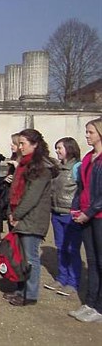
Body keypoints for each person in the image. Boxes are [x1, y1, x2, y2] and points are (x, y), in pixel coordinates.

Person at [5, 129, 58, 307]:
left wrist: (17, 214)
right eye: (19, 144)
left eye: (23, 144)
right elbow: (15, 191)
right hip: (19, 215)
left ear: (35, 144)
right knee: (20, 256)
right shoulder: (24, 164)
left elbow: (32, 196)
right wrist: (11, 213)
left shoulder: (42, 168)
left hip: (32, 218)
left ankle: (30, 294)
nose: (20, 147)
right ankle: (21, 290)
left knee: (30, 257)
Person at [69, 118, 102, 323]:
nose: (87, 135)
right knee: (91, 260)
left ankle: (99, 306)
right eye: (87, 132)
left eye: (90, 132)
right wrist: (76, 208)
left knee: (100, 261)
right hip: (86, 214)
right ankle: (90, 303)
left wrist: (88, 212)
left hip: (98, 215)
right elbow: (82, 187)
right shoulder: (89, 158)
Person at [44, 137, 82, 296]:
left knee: (72, 249)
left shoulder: (77, 168)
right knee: (61, 248)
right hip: (57, 212)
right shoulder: (58, 168)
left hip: (70, 214)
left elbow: (82, 190)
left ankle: (73, 282)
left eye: (60, 148)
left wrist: (78, 209)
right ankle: (61, 278)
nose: (57, 151)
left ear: (69, 148)